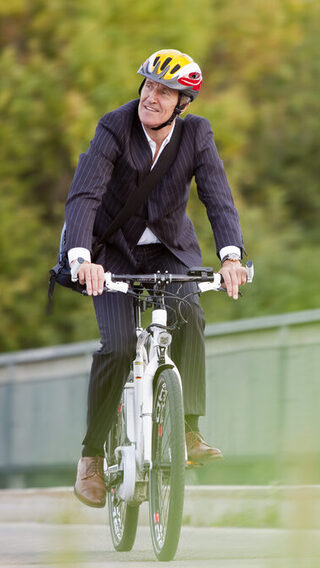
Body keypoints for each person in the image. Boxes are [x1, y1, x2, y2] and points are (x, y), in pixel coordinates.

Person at [67, 49, 247, 508]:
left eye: (164, 91)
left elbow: (218, 198)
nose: (152, 95)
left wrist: (230, 256)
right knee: (120, 345)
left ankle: (187, 431)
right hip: (110, 253)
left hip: (169, 250)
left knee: (190, 315)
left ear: (182, 103)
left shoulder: (197, 134)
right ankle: (91, 458)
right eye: (148, 85)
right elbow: (85, 194)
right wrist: (82, 256)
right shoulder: (114, 126)